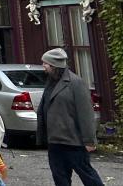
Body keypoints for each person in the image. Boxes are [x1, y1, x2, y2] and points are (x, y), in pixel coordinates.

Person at [37, 48, 104, 186]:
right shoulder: (51, 81)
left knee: (88, 176)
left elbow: (85, 114)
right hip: (55, 142)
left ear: (54, 65)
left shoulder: (75, 83)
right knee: (60, 177)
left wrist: (89, 141)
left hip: (73, 142)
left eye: (45, 64)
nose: (43, 66)